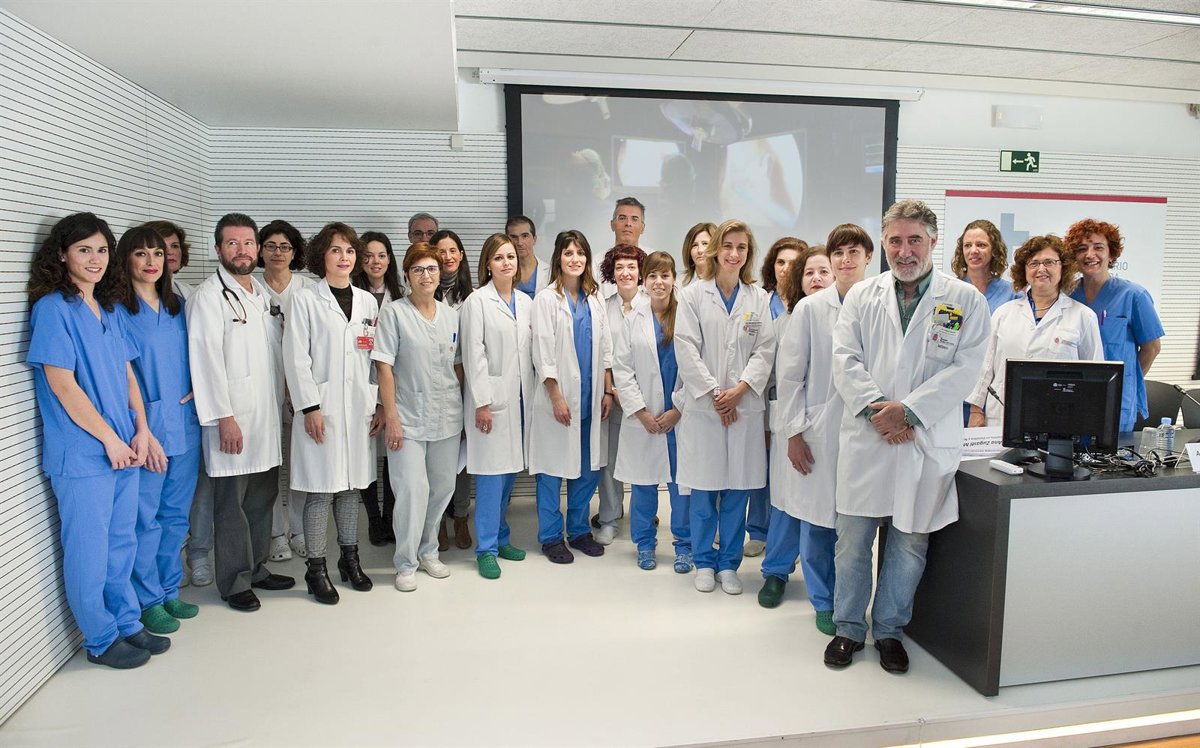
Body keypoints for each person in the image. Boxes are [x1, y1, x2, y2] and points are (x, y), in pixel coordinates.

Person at [825, 200, 990, 674]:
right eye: (895, 241)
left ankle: (890, 630)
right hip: (869, 435)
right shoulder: (863, 296)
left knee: (910, 545)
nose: (904, 250)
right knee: (852, 544)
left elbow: (966, 369)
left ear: (933, 241)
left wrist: (909, 413)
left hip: (923, 440)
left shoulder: (964, 300)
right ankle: (848, 628)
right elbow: (845, 359)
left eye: (914, 239)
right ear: (884, 244)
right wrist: (880, 411)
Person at [27, 212, 170, 668]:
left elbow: (128, 375)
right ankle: (100, 638)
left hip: (125, 445)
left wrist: (142, 430)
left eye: (102, 250)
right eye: (84, 250)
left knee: (121, 542)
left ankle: (126, 621)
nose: (95, 259)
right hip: (85, 454)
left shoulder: (108, 308)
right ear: (61, 255)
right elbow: (62, 385)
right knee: (89, 550)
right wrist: (110, 439)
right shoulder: (53, 309)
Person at [761, 227, 873, 637]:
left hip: (867, 431)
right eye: (837, 254)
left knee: (856, 527)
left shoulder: (877, 303)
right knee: (816, 521)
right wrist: (793, 433)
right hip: (819, 431)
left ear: (867, 258)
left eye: (853, 253)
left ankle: (850, 600)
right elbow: (790, 377)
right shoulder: (810, 310)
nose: (845, 261)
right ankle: (824, 601)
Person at [187, 213, 295, 612]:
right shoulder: (208, 297)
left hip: (265, 416)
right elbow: (205, 361)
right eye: (232, 243)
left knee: (262, 499)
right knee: (231, 505)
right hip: (232, 420)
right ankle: (234, 582)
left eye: (248, 243)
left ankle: (256, 567)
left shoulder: (260, 294)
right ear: (218, 249)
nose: (242, 250)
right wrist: (224, 418)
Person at [105, 226, 202, 635]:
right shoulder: (116, 311)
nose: (151, 262)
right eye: (141, 254)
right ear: (125, 259)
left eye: (158, 254)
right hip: (146, 428)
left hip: (186, 424)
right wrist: (141, 427)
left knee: (176, 516)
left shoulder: (178, 305)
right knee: (145, 519)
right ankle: (146, 600)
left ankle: (168, 589)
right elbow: (120, 376)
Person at [675, 219, 776, 595]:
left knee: (737, 492)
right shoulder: (692, 295)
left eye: (742, 248)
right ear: (716, 249)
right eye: (728, 246)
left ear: (749, 253)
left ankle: (729, 564)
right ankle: (704, 561)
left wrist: (741, 390)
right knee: (704, 490)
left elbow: (765, 349)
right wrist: (717, 394)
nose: (734, 254)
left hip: (744, 407)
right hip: (706, 408)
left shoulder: (757, 298)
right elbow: (686, 348)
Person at [283, 223, 379, 604]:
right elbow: (296, 357)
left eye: (350, 251)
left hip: (357, 409)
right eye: (336, 250)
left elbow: (372, 359)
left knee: (352, 489)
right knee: (322, 491)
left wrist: (374, 402)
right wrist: (309, 407)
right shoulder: (305, 300)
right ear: (321, 255)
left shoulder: (368, 302)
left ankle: (350, 559)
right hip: (320, 409)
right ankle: (316, 568)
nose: (344, 257)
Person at [373, 244, 464, 591]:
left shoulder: (451, 316)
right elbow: (384, 367)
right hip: (407, 419)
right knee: (412, 490)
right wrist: (392, 417)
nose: (426, 276)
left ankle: (429, 552)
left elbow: (458, 366)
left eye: (432, 269)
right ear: (407, 275)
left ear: (441, 273)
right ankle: (406, 562)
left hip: (447, 416)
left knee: (442, 488)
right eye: (418, 270)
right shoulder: (394, 314)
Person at [529, 230, 615, 564]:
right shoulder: (546, 299)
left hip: (591, 399)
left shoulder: (594, 299)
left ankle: (578, 531)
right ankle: (551, 537)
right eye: (568, 253)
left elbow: (605, 350)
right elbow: (542, 353)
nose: (575, 259)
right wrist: (555, 396)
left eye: (580, 253)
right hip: (559, 399)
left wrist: (607, 389)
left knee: (587, 470)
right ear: (558, 259)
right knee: (551, 471)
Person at [460, 234, 535, 579]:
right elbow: (473, 355)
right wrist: (482, 403)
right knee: (490, 478)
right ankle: (486, 549)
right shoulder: (477, 302)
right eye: (499, 257)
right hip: (490, 403)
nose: (506, 263)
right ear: (487, 265)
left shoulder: (526, 302)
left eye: (511, 257)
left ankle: (502, 539)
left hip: (519, 401)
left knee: (508, 476)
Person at [968, 235, 1102, 428]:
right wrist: (975, 410)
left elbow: (1094, 378)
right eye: (1033, 263)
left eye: (1049, 262)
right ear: (1024, 270)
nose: (1041, 269)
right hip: (1002, 415)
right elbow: (985, 367)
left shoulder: (1083, 316)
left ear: (1063, 267)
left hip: (1059, 416)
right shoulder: (1003, 313)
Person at [145, 219, 213, 587]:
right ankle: (152, 587)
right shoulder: (124, 304)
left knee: (184, 503)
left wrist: (200, 387)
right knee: (148, 512)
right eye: (153, 250)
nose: (163, 256)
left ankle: (180, 571)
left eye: (169, 248)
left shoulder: (188, 297)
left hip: (186, 417)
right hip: (149, 420)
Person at [612, 251, 688, 572]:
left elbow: (695, 368)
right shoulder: (633, 319)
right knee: (643, 486)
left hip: (679, 418)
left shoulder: (686, 316)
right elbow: (622, 369)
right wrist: (641, 412)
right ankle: (645, 544)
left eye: (665, 275)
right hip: (644, 419)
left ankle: (685, 545)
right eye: (653, 276)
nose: (659, 282)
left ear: (674, 279)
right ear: (644, 281)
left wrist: (678, 408)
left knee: (682, 488)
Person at [1066, 219, 1164, 433]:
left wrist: (1124, 383)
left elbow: (1152, 348)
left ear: (1111, 254)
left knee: (1113, 454)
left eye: (1098, 247)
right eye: (1081, 249)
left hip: (1116, 402)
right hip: (1073, 397)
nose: (1090, 254)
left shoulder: (1134, 295)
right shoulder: (1067, 296)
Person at [745, 236, 808, 557]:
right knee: (761, 468)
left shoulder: (807, 305)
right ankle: (758, 530)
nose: (786, 268)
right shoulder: (760, 303)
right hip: (760, 396)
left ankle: (788, 540)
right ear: (772, 266)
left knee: (792, 472)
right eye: (780, 262)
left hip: (796, 401)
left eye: (794, 263)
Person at [256, 219, 313, 563]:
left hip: (301, 390)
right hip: (262, 388)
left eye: (285, 247)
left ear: (295, 252)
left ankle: (299, 530)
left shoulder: (309, 290)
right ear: (260, 251)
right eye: (271, 246)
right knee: (268, 467)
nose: (278, 253)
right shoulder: (251, 289)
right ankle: (276, 533)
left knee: (301, 464)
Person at [595, 244, 647, 546]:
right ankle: (610, 518)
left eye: (631, 267)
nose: (625, 273)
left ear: (640, 273)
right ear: (611, 273)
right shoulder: (603, 307)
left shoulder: (652, 304)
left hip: (645, 399)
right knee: (610, 462)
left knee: (645, 461)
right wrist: (610, 388)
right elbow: (604, 354)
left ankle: (643, 517)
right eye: (619, 268)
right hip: (613, 397)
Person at [354, 231, 403, 546]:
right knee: (365, 456)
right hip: (359, 387)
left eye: (381, 255)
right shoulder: (351, 297)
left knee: (393, 454)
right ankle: (373, 518)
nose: (375, 261)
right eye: (368, 255)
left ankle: (390, 517)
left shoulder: (401, 297)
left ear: (389, 260)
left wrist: (385, 403)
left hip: (393, 388)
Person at [430, 229, 475, 551]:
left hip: (465, 383)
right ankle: (437, 521)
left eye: (452, 250)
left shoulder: (472, 297)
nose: (447, 257)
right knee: (436, 461)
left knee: (461, 459)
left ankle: (460, 516)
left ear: (461, 255)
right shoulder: (420, 292)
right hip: (431, 386)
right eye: (440, 251)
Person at [953, 219, 1022, 313]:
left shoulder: (1012, 295)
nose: (973, 251)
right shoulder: (951, 291)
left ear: (994, 250)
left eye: (981, 245)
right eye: (968, 245)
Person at [507, 215, 550, 298]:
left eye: (525, 236)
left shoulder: (550, 272)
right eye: (514, 237)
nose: (519, 243)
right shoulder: (503, 271)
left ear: (534, 239)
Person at [680, 222, 716, 287]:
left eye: (705, 244)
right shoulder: (680, 283)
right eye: (695, 245)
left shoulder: (726, 280)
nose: (700, 250)